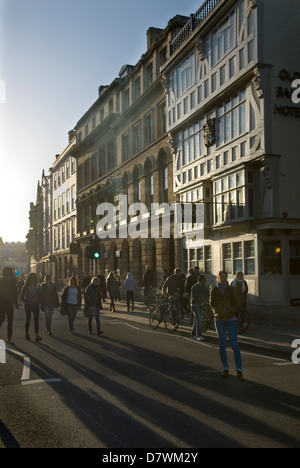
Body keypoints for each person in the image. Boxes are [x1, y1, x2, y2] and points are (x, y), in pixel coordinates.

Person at [210, 270, 243, 380]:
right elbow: (211, 303)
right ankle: (225, 368)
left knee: (234, 344)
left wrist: (231, 310)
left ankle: (239, 370)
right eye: (221, 277)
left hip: (231, 319)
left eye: (224, 277)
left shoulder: (231, 289)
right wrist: (216, 311)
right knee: (222, 344)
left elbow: (238, 303)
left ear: (227, 278)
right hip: (219, 319)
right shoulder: (214, 290)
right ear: (218, 278)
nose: (223, 279)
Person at [20, 272, 42, 342]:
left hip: (35, 305)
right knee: (28, 319)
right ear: (29, 279)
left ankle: (36, 335)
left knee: (36, 320)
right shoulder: (25, 286)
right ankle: (27, 334)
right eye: (31, 278)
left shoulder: (38, 286)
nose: (33, 279)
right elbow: (21, 297)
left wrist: (38, 300)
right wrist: (27, 301)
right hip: (28, 305)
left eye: (34, 278)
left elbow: (41, 295)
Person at [0, 267, 18, 344]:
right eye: (6, 272)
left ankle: (9, 338)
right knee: (1, 319)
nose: (7, 273)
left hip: (10, 303)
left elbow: (15, 291)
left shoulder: (13, 281)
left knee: (10, 321)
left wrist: (16, 302)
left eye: (8, 272)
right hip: (2, 303)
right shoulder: (1, 280)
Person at [190, 275, 209, 341]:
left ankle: (193, 334)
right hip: (195, 305)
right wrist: (200, 302)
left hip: (200, 306)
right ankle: (199, 335)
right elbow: (194, 297)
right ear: (201, 281)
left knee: (196, 320)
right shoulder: (195, 287)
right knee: (199, 320)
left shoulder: (204, 287)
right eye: (205, 280)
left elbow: (208, 294)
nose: (206, 281)